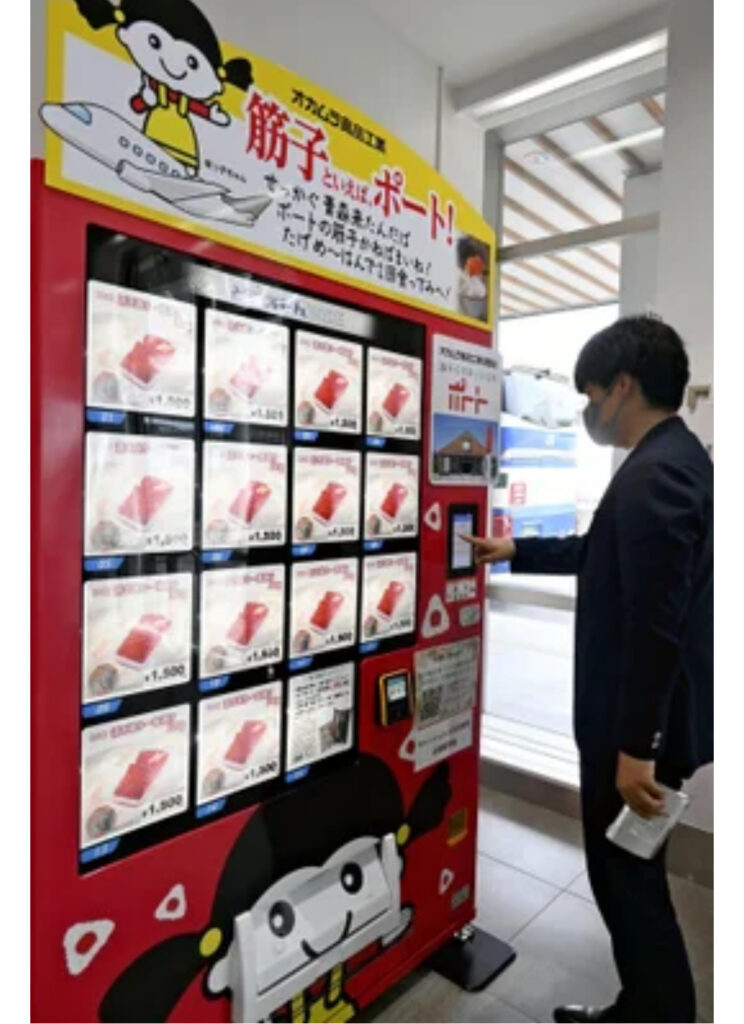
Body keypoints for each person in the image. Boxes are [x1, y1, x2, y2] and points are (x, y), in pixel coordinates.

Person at [464, 316, 712, 1024]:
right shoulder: (677, 458)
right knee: (632, 874)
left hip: (636, 732)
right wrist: (515, 549)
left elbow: (654, 628)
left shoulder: (656, 476)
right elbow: (601, 550)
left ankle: (657, 1012)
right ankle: (647, 1005)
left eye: (590, 393)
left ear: (622, 386)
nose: (587, 409)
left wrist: (638, 748)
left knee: (626, 880)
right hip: (654, 722)